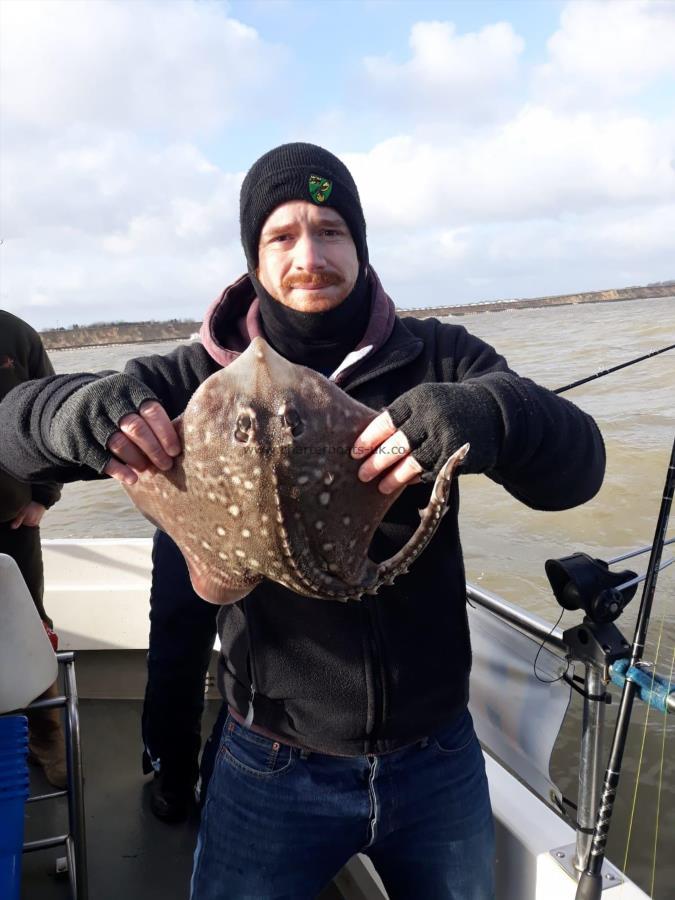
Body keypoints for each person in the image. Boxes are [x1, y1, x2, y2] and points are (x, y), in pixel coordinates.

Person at [0, 143, 606, 900]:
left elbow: (580, 469)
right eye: (281, 236)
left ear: (359, 242)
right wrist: (71, 411)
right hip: (274, 758)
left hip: (437, 754)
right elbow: (12, 433)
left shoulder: (439, 357)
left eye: (330, 231)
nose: (308, 255)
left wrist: (494, 412)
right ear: (253, 257)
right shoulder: (188, 378)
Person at [0, 310, 66, 788]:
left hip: (12, 523)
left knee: (29, 625)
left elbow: (51, 418)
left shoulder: (15, 335)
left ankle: (45, 733)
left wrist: (43, 496)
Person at [141, 529, 218, 822]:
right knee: (174, 660)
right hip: (183, 529)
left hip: (270, 533)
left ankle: (217, 775)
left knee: (260, 663)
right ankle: (173, 770)